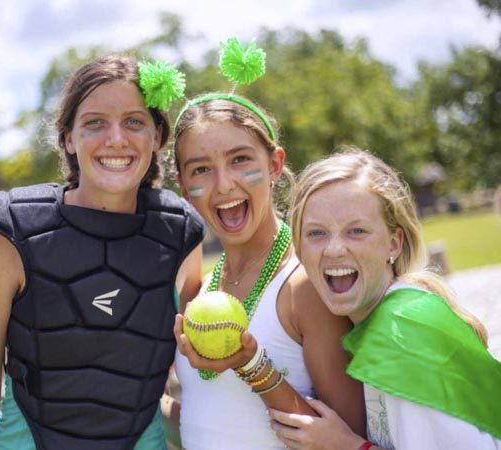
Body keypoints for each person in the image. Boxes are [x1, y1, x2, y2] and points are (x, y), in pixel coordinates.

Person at [0, 55, 204, 450]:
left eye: (134, 121)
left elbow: (191, 382)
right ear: (68, 137)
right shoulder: (16, 232)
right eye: (94, 123)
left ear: (157, 136)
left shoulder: (180, 234)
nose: (116, 138)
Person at [170, 93, 366, 450]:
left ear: (275, 165)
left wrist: (252, 365)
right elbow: (209, 420)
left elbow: (346, 438)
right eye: (200, 169)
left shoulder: (303, 283)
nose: (224, 184)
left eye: (240, 160)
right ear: (184, 188)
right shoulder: (202, 289)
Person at [270, 148, 501, 450]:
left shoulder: (402, 330)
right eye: (316, 233)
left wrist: (345, 445)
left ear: (393, 243)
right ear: (298, 248)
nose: (335, 249)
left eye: (356, 231)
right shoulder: (392, 315)